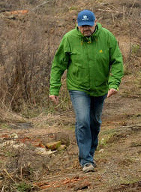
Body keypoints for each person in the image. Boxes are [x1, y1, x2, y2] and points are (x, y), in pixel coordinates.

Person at [49, 10, 123, 173]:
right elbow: (58, 65)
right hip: (78, 87)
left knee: (94, 122)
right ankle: (86, 161)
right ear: (77, 25)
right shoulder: (69, 39)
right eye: (82, 26)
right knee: (83, 120)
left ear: (95, 22)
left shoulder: (107, 37)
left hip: (99, 87)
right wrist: (54, 88)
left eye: (88, 25)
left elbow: (117, 61)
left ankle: (90, 152)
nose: (85, 29)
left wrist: (114, 83)